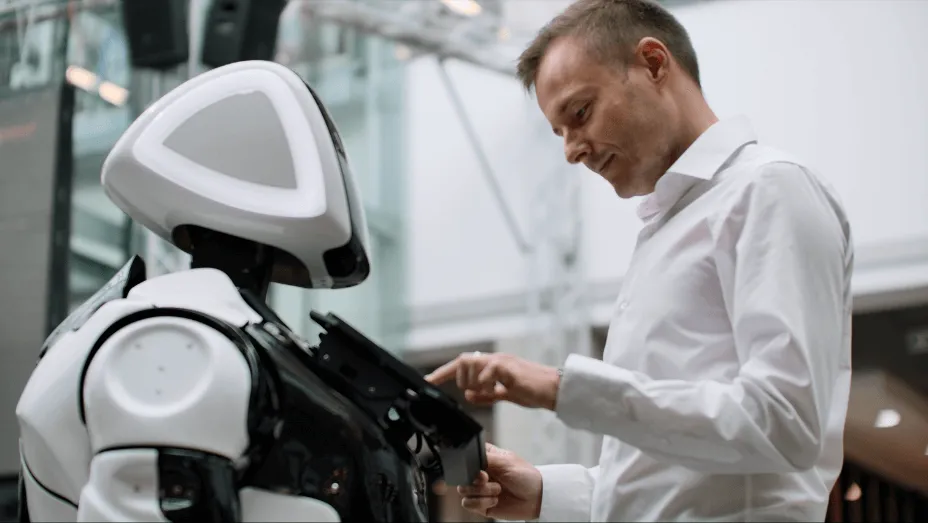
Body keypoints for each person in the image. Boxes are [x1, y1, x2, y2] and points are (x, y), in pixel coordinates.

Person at [425, 0, 854, 521]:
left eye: (579, 114)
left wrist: (564, 387)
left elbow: (785, 423)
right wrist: (545, 493)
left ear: (654, 64)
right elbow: (673, 485)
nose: (570, 152)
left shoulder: (768, 190)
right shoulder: (669, 227)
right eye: (558, 133)